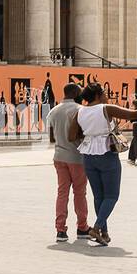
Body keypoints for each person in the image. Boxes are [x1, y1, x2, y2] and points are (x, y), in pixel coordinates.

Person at [68, 84, 137, 246]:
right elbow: (135, 114)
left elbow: (71, 136)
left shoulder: (80, 112)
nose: (107, 96)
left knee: (99, 196)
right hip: (107, 154)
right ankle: (97, 227)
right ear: (98, 95)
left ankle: (104, 233)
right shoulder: (105, 108)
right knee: (112, 196)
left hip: (88, 156)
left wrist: (89, 137)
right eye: (105, 93)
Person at [46, 83, 90, 242]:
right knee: (80, 193)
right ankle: (82, 227)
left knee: (62, 193)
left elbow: (52, 138)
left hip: (59, 156)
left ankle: (60, 230)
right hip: (77, 157)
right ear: (75, 94)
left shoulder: (53, 111)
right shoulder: (80, 110)